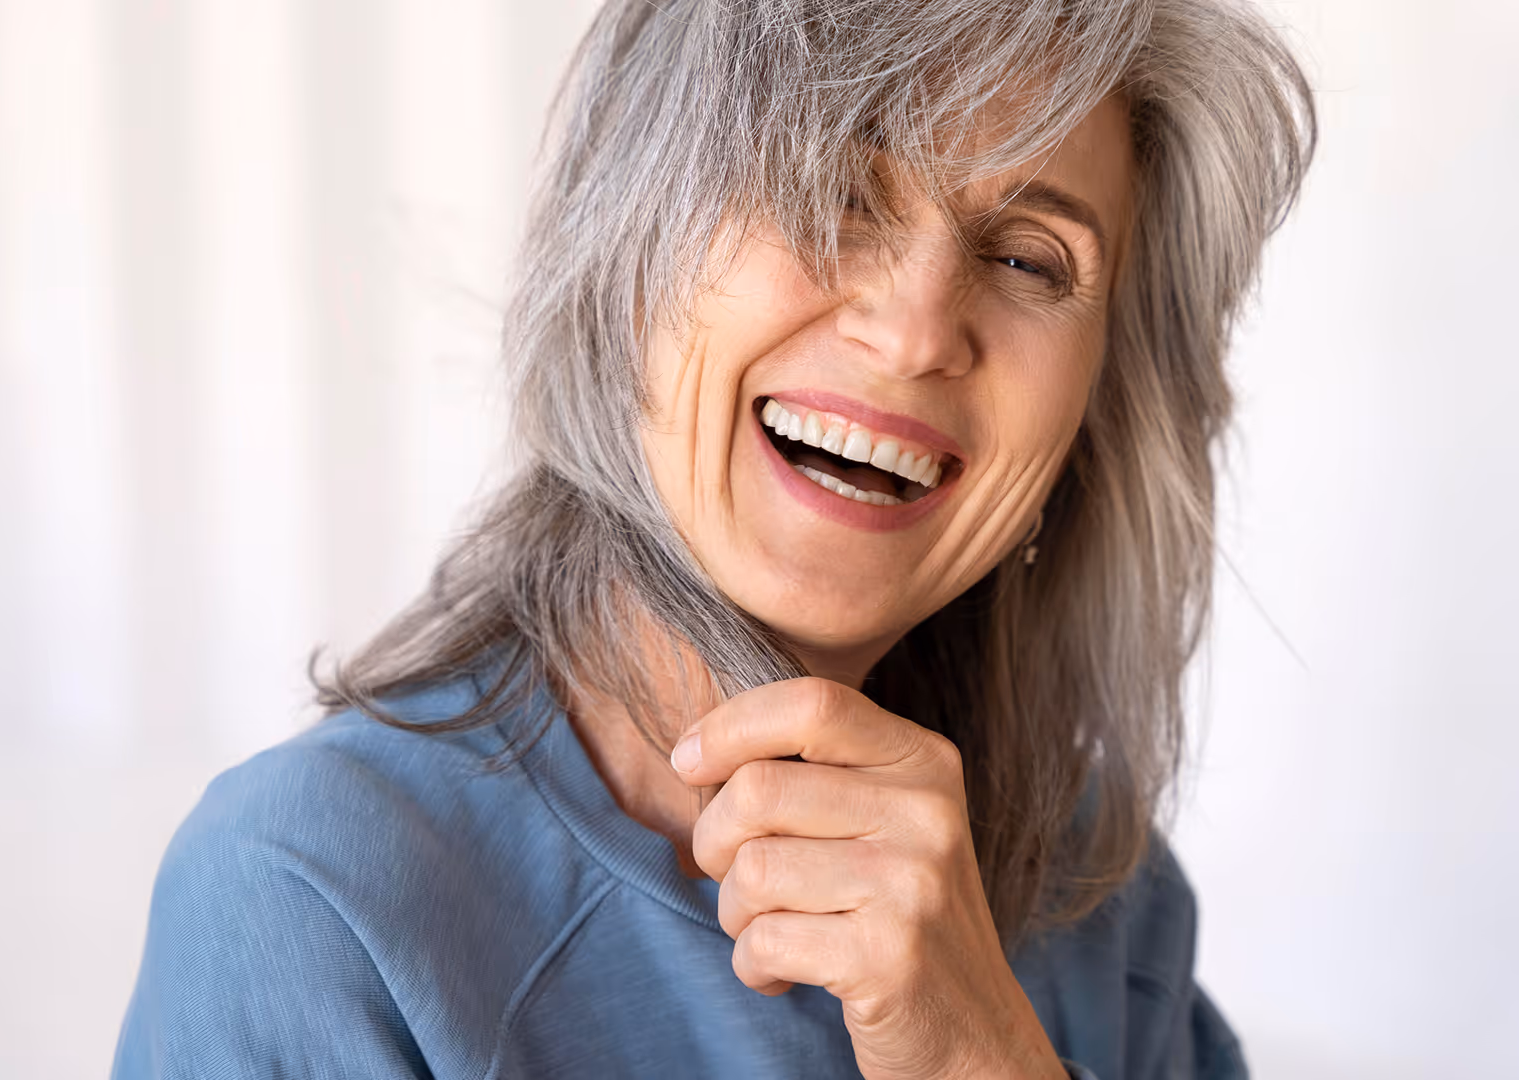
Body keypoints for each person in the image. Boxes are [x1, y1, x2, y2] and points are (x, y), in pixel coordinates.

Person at [112, 0, 1313, 1076]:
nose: (913, 332)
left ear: (1099, 409)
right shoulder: (312, 898)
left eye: (1026, 258)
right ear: (626, 241)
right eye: (828, 188)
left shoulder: (1102, 893)